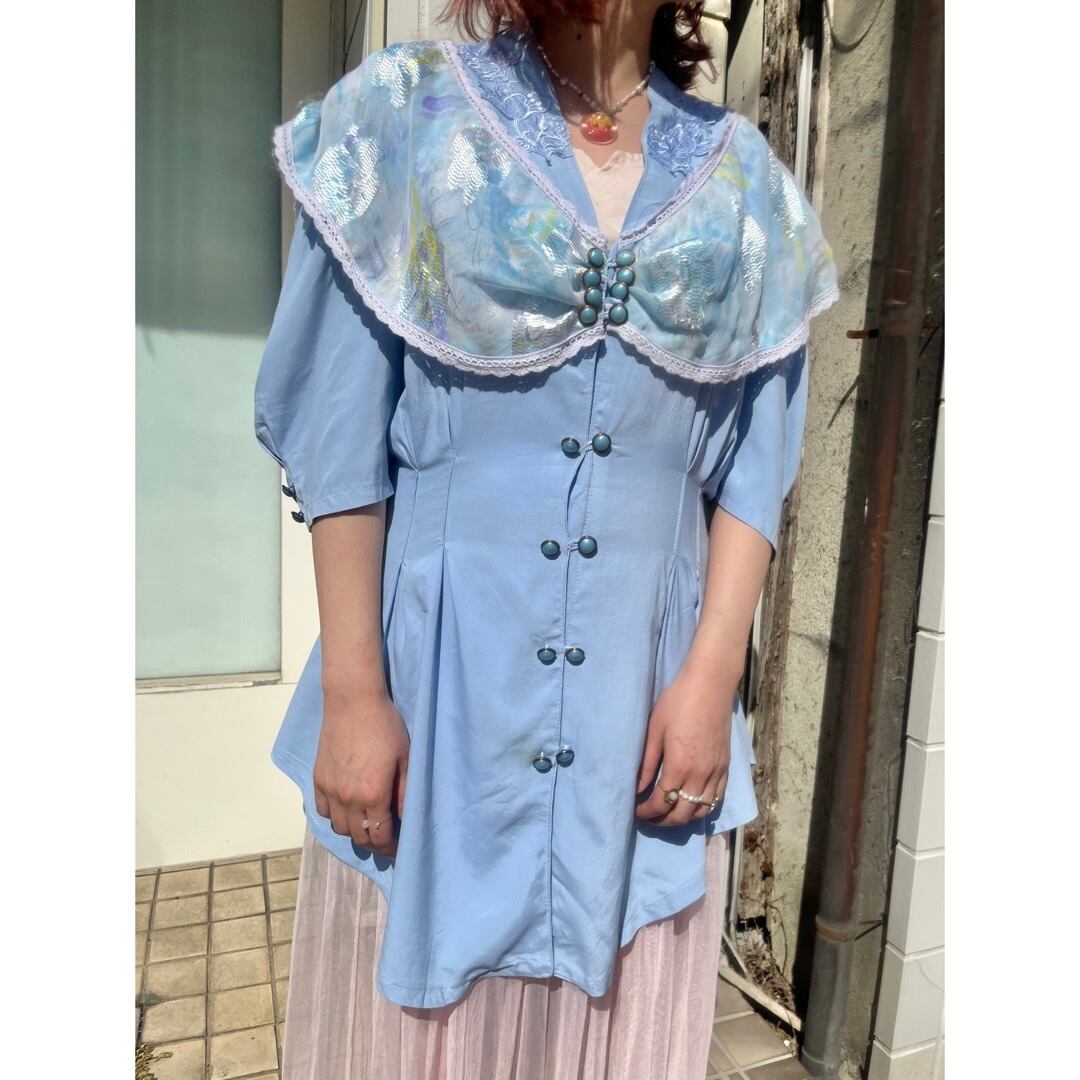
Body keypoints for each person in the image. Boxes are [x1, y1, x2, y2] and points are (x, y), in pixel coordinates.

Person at [253, 1, 838, 1076]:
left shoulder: (747, 183)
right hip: (441, 696)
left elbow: (758, 470)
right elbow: (340, 435)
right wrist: (353, 692)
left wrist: (712, 681)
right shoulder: (407, 115)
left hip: (643, 707)